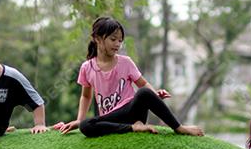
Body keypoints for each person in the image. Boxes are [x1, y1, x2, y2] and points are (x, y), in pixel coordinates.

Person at [54, 16, 203, 138]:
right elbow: (86, 97)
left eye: (120, 40)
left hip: (131, 111)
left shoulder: (126, 62)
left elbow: (143, 84)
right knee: (86, 125)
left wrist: (154, 95)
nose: (117, 44)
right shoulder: (87, 67)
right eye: (113, 39)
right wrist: (79, 119)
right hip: (110, 119)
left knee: (144, 93)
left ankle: (179, 127)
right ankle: (133, 128)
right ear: (98, 39)